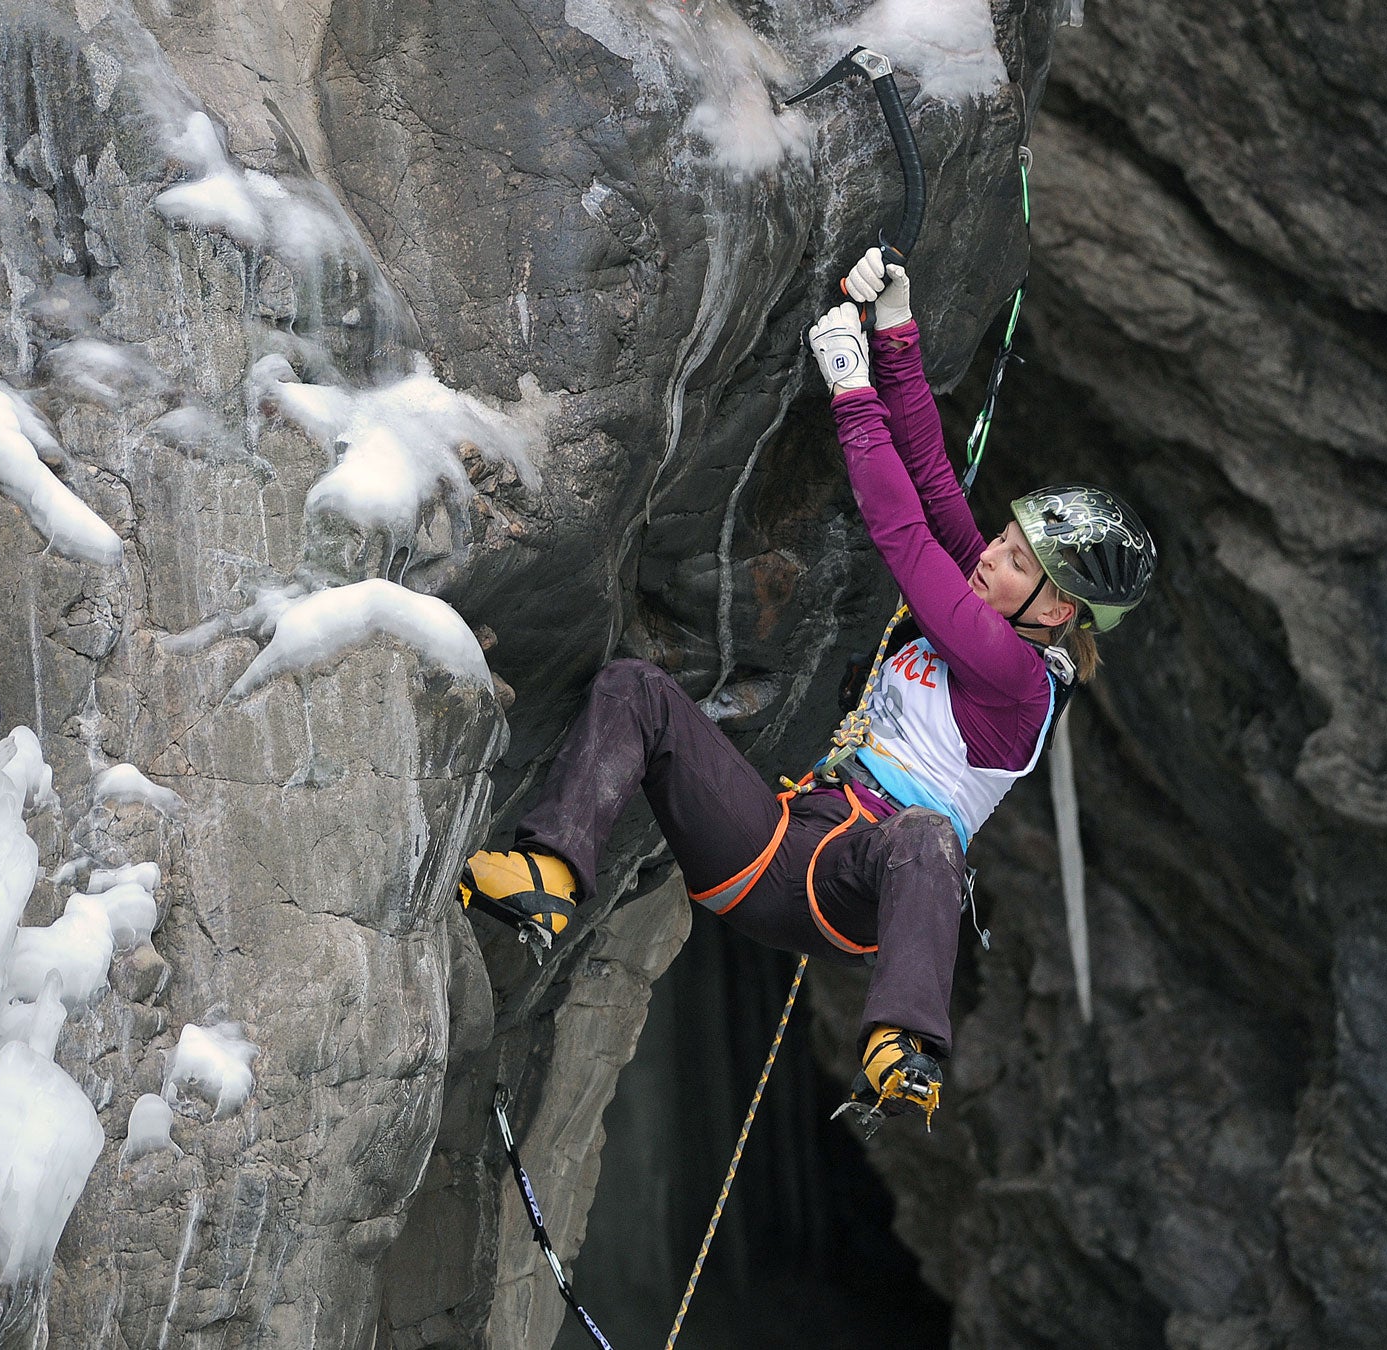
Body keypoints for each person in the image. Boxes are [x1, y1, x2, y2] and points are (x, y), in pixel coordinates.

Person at [459, 249, 1157, 1129]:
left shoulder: (1017, 680)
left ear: (1058, 612)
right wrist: (895, 333)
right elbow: (937, 486)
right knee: (636, 690)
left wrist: (851, 394)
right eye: (1006, 539)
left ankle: (902, 1049)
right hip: (776, 846)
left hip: (858, 883)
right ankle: (546, 874)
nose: (989, 554)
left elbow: (904, 537)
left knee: (929, 838)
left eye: (1017, 560)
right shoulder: (991, 600)